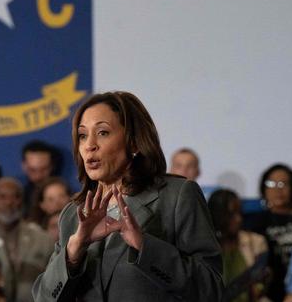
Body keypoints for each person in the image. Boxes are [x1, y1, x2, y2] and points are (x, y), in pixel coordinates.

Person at [32, 91, 223, 301]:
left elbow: (211, 289)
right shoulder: (72, 214)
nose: (89, 145)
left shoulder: (176, 197)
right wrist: (74, 251)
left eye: (103, 132)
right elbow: (43, 298)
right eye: (83, 135)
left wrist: (144, 245)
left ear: (133, 142)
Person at [246, 163, 292, 302]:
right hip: (270, 291)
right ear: (264, 189)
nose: (277, 189)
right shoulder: (255, 222)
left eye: (283, 184)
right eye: (271, 184)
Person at [208, 189, 269, 302]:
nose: (238, 219)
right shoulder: (204, 245)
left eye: (239, 212)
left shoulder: (256, 242)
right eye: (231, 214)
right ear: (216, 215)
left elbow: (260, 285)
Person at [21, 140, 59, 211]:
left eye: (44, 169)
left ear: (52, 166)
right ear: (23, 166)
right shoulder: (18, 197)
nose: (38, 176)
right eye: (32, 170)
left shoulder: (67, 197)